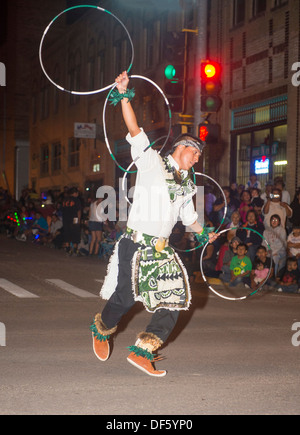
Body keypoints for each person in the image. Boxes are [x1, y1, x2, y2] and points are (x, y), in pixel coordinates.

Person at [90, 71, 218, 377]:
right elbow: (135, 129)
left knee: (175, 298)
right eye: (195, 152)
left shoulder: (188, 183)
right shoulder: (152, 162)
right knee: (124, 297)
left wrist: (205, 234)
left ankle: (143, 350)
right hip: (135, 244)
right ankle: (102, 329)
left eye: (200, 155)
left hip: (161, 250)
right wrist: (123, 94)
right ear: (180, 147)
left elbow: (189, 217)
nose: (197, 159)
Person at [61, 187, 82, 255]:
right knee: (75, 232)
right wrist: (79, 219)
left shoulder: (65, 200)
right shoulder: (76, 200)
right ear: (75, 193)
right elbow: (79, 210)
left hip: (66, 219)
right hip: (74, 219)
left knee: (67, 232)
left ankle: (68, 248)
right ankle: (75, 249)